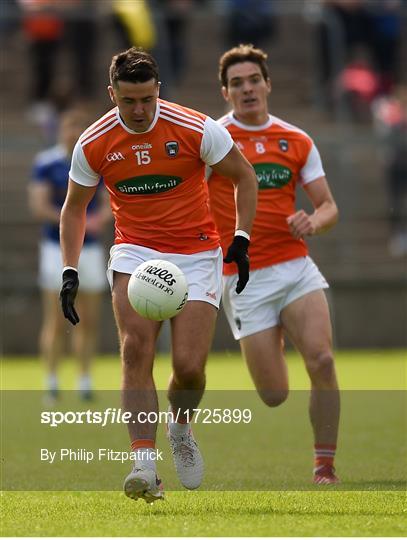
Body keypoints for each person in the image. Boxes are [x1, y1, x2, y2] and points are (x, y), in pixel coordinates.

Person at [59, 47, 258, 502]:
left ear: (158, 91)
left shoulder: (194, 128)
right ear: (112, 95)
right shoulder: (94, 142)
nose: (139, 110)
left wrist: (241, 238)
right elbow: (74, 209)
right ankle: (144, 465)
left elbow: (244, 177)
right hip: (135, 252)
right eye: (128, 101)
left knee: (189, 369)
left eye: (147, 99)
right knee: (135, 349)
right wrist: (69, 270)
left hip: (196, 251)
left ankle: (180, 427)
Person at [208, 44, 340, 485]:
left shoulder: (297, 139)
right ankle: (273, 336)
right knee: (274, 394)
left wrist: (314, 221)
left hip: (294, 266)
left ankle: (324, 466)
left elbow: (328, 206)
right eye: (237, 84)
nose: (247, 90)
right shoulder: (213, 140)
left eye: (253, 81)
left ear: (268, 84)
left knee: (321, 361)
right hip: (243, 279)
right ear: (225, 93)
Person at [28, 108, 111, 402]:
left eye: (79, 128)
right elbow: (38, 206)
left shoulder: (94, 161)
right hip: (56, 249)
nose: (74, 133)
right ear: (61, 131)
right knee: (55, 318)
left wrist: (97, 219)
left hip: (89, 249)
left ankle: (85, 380)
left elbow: (107, 204)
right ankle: (51, 380)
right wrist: (72, 221)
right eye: (69, 128)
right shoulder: (46, 163)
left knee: (89, 319)